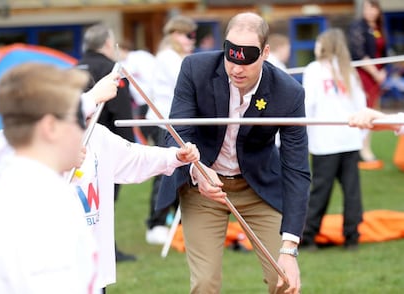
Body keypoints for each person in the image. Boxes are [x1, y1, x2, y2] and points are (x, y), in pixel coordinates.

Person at [157, 12, 310, 294]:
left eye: (247, 59)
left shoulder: (289, 93)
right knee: (204, 284)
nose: (237, 69)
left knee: (286, 282)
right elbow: (177, 133)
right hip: (203, 187)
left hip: (258, 188)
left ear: (265, 53)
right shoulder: (194, 68)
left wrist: (290, 248)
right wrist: (197, 170)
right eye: (231, 57)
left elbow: (297, 168)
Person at [0, 63, 99, 293]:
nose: (84, 129)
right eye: (80, 118)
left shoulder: (38, 190)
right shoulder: (37, 206)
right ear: (50, 126)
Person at [72, 114, 200, 293]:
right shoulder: (36, 141)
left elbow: (136, 158)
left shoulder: (97, 135)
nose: (89, 116)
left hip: (92, 267)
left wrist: (176, 156)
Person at [301, 28, 367, 251]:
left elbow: (307, 103)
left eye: (318, 42)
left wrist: (303, 135)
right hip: (349, 138)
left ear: (325, 45)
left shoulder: (314, 69)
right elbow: (362, 106)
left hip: (325, 139)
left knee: (320, 190)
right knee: (352, 190)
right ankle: (352, 237)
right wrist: (361, 136)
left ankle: (308, 235)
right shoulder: (349, 70)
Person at [78, 23, 136, 261]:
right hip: (102, 146)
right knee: (101, 205)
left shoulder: (74, 68)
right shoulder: (111, 72)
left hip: (73, 146)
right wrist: (128, 147)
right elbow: (122, 112)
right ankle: (106, 250)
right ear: (108, 44)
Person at [144, 15, 197, 245]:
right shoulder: (168, 57)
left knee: (180, 172)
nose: (191, 41)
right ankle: (155, 223)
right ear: (175, 34)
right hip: (163, 122)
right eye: (188, 35)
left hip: (177, 122)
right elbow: (186, 83)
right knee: (165, 173)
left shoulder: (179, 56)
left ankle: (175, 220)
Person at [348, 0, 387, 168]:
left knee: (374, 110)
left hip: (378, 75)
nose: (370, 11)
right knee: (364, 109)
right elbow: (358, 53)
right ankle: (361, 149)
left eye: (372, 8)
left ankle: (366, 147)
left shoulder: (379, 28)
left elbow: (385, 53)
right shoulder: (357, 27)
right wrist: (375, 72)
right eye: (366, 8)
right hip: (364, 74)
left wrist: (383, 71)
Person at [118, 39, 155, 124]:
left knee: (147, 125)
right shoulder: (126, 61)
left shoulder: (135, 58)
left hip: (148, 97)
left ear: (124, 49)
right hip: (142, 99)